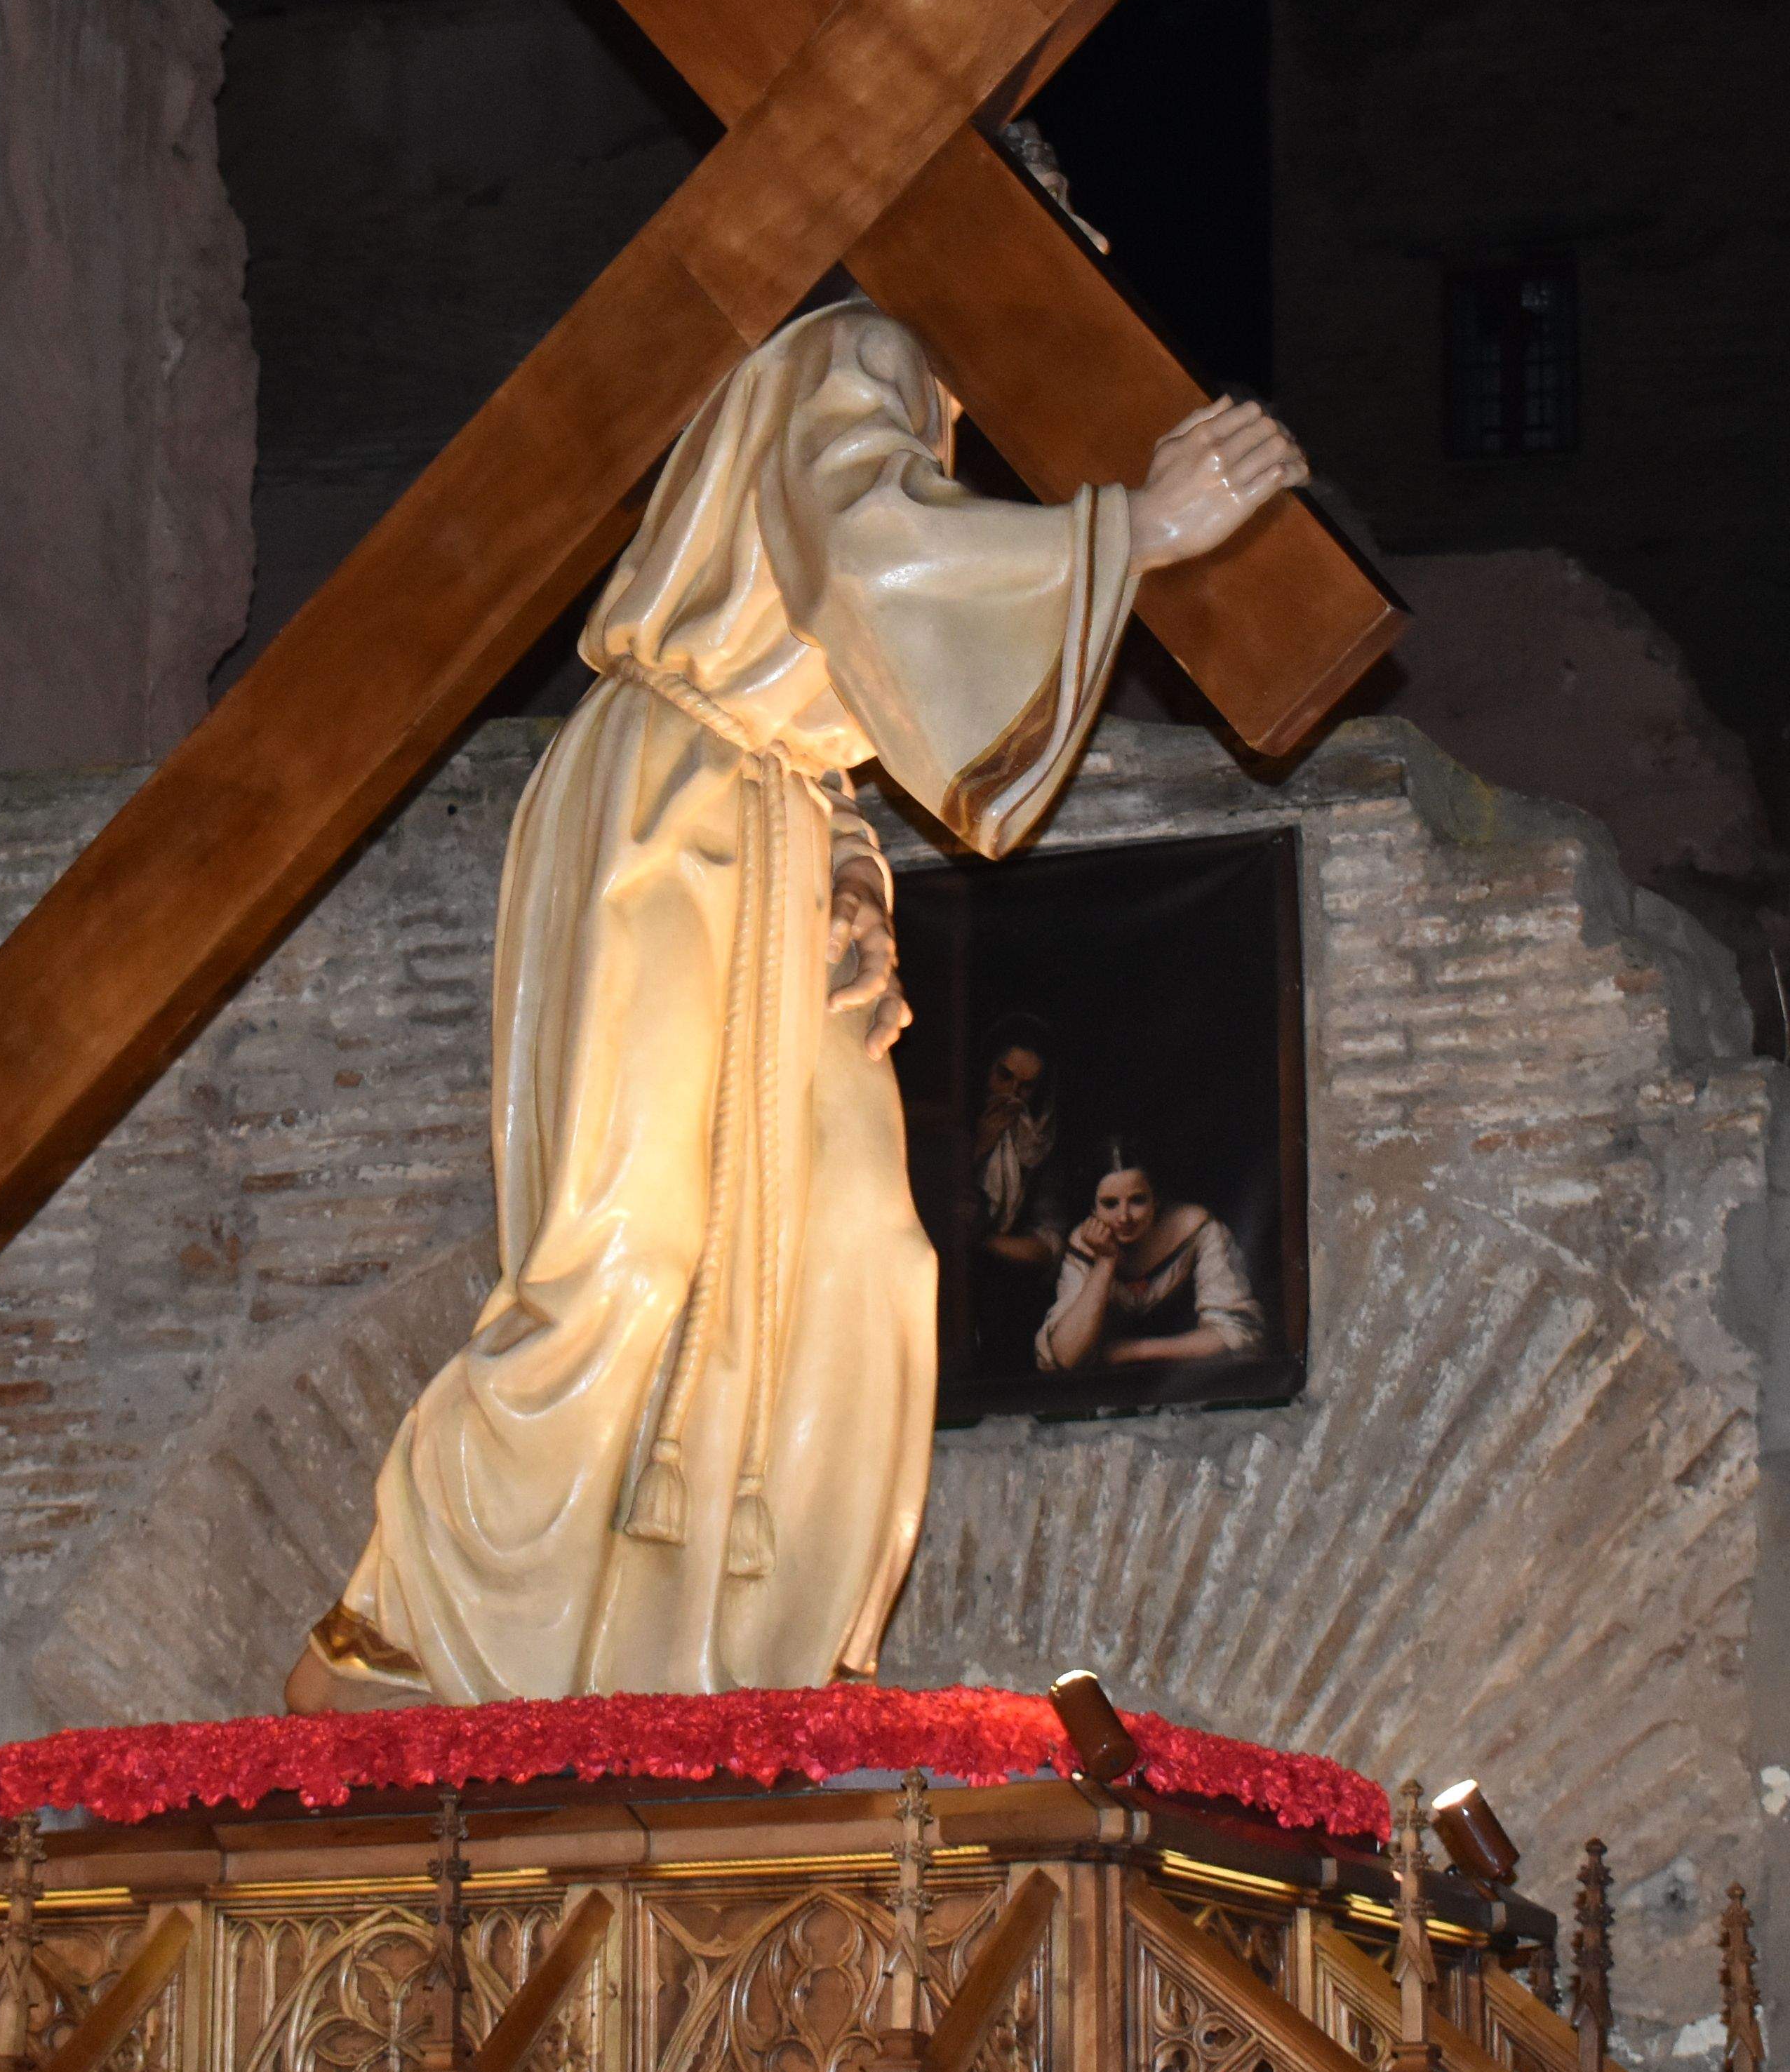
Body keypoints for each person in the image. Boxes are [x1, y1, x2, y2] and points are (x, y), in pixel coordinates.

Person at [286, 300, 1305, 1709]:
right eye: (1066, 225)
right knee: (631, 1246)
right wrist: (1135, 526)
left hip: (778, 814)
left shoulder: (920, 393)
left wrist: (848, 863)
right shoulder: (868, 342)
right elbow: (867, 543)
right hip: (672, 806)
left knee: (864, 1253)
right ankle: (402, 1640)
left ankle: (745, 1672)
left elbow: (848, 664)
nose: (1092, 262)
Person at [1033, 1142, 1264, 1370]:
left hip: (1191, 1379)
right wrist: (1106, 1261)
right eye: (1110, 1204)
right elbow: (1064, 1356)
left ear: (1156, 1199)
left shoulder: (1196, 1229)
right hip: (1107, 1387)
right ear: (1093, 1209)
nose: (1124, 1217)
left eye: (1137, 1200)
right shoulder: (1087, 1243)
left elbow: (1237, 1335)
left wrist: (1134, 1351)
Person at [965, 1015, 1067, 1280]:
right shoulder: (961, 1121)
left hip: (1009, 1278)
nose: (1012, 1093)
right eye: (1004, 1076)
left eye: (1026, 1087)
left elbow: (1048, 1244)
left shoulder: (1039, 1143)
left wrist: (984, 1242)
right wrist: (981, 1147)